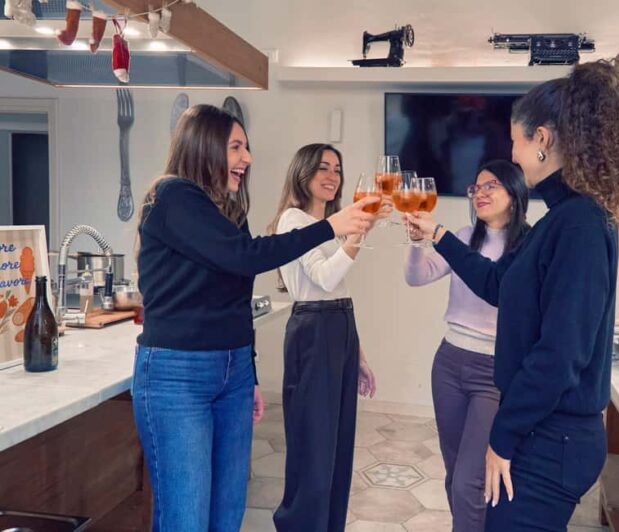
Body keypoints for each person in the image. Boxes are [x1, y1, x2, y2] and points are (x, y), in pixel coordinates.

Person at [407, 60, 619, 531]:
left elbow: (560, 354)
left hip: (553, 441)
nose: (513, 154)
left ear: (542, 138)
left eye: (515, 141)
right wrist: (438, 235)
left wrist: (503, 436)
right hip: (545, 432)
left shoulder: (579, 225)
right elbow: (498, 284)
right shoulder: (560, 220)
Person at [133, 106, 377, 532]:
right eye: (236, 147)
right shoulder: (172, 196)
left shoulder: (227, 211)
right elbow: (246, 256)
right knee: (187, 520)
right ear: (204, 146)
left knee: (227, 515)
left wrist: (246, 372)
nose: (247, 158)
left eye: (246, 148)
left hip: (231, 371)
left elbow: (236, 295)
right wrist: (332, 226)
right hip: (178, 373)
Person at [404, 160, 529, 531]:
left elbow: (508, 300)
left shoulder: (527, 246)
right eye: (476, 187)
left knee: (469, 481)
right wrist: (416, 243)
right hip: (449, 363)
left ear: (514, 193)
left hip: (493, 371)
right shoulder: (463, 236)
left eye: (491, 186)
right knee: (454, 473)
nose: (480, 193)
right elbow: (416, 276)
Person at [268, 144, 388, 532]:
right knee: (314, 451)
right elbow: (324, 278)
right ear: (302, 172)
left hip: (338, 328)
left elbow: (339, 292)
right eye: (323, 167)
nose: (332, 175)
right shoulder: (293, 220)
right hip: (313, 332)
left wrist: (359, 355)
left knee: (337, 450)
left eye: (337, 168)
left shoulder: (328, 226)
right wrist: (359, 232)